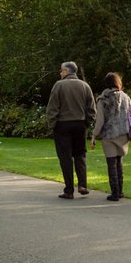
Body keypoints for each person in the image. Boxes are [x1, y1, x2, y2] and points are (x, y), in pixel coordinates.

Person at [46, 61, 96, 199]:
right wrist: (87, 123)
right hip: (80, 124)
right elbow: (91, 109)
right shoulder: (85, 86)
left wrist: (52, 124)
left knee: (65, 157)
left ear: (67, 71)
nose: (60, 73)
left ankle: (69, 190)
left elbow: (52, 107)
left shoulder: (59, 85)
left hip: (62, 125)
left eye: (61, 71)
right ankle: (82, 185)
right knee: (80, 155)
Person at [90, 72, 131, 201]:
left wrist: (94, 135)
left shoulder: (102, 99)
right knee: (119, 163)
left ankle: (115, 193)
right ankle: (120, 191)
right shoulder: (126, 97)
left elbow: (100, 121)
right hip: (123, 134)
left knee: (111, 164)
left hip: (109, 135)